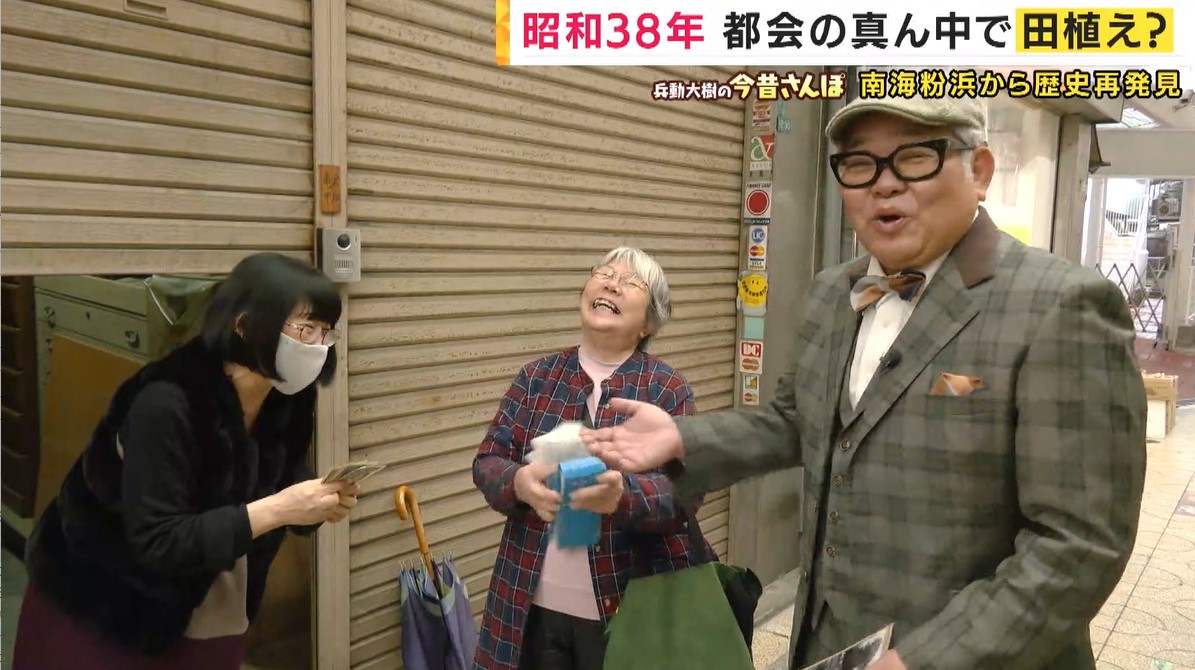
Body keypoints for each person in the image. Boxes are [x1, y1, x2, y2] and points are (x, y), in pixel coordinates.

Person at [584, 97, 1147, 670]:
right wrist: (682, 438)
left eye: (916, 157)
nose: (884, 184)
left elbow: (1077, 545)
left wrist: (922, 660)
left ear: (978, 171)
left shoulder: (1062, 305)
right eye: (860, 164)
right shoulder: (834, 292)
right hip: (831, 640)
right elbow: (794, 422)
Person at [14, 253, 360, 669]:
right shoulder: (165, 405)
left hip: (211, 599)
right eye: (305, 330)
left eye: (325, 333)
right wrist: (281, 508)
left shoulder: (288, 396)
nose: (318, 347)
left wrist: (317, 503)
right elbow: (159, 541)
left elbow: (282, 473)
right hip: (107, 603)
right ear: (245, 325)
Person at [472, 246, 712, 670]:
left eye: (631, 282)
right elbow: (488, 460)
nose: (611, 284)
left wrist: (623, 494)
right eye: (604, 273)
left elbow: (685, 493)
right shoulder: (537, 377)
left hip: (627, 608)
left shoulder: (666, 388)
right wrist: (519, 483)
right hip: (530, 604)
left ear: (649, 322)